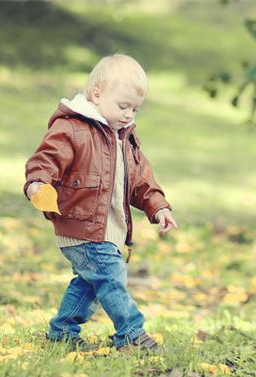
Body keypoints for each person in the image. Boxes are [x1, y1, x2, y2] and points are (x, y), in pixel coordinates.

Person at [23, 54, 178, 353]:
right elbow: (47, 158)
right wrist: (37, 182)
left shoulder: (125, 138)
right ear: (97, 94)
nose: (129, 114)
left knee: (91, 283)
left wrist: (159, 207)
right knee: (110, 279)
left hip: (108, 230)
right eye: (123, 106)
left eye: (135, 108)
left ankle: (63, 331)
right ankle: (132, 334)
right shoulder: (72, 129)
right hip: (82, 226)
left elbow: (141, 180)